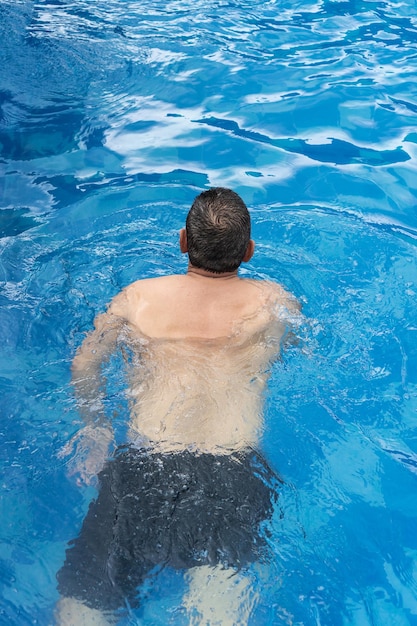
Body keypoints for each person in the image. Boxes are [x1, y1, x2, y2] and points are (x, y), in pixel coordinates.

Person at [55, 187, 301, 625]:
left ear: (182, 240)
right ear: (249, 251)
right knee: (217, 613)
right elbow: (296, 350)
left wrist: (95, 429)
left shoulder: (138, 298)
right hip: (232, 473)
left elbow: (83, 365)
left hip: (145, 465)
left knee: (83, 608)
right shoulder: (275, 302)